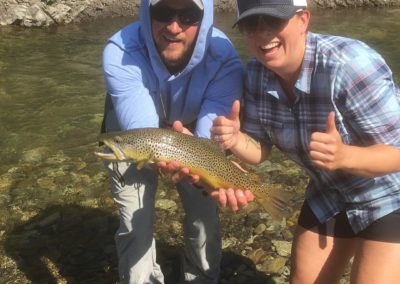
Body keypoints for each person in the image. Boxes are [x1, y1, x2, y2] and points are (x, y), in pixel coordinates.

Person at [209, 0, 400, 283]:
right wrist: (237, 140)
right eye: (251, 24)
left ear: (303, 20)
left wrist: (345, 157)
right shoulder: (256, 74)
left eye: (273, 21)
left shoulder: (350, 66)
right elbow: (261, 151)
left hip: (389, 192)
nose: (262, 34)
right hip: (329, 190)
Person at [100, 0, 246, 283]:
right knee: (135, 219)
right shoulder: (120, 51)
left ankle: (201, 278)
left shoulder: (223, 56)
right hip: (133, 133)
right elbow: (143, 136)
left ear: (205, 17)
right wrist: (165, 159)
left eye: (189, 15)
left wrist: (215, 174)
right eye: (163, 13)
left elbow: (209, 140)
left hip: (194, 131)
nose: (174, 27)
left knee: (204, 210)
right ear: (146, 12)